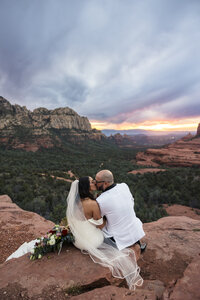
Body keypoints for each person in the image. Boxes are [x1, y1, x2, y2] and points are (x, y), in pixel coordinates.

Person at [66, 176, 143, 290]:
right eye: (92, 182)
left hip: (77, 240)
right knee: (111, 239)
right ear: (86, 187)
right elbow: (100, 224)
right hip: (91, 241)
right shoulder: (92, 203)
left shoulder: (74, 203)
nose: (95, 183)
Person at [95, 170, 146, 261]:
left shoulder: (101, 200)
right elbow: (131, 201)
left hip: (118, 237)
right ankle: (135, 242)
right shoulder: (124, 186)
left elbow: (98, 220)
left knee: (96, 231)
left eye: (97, 182)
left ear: (105, 183)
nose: (95, 184)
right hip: (134, 229)